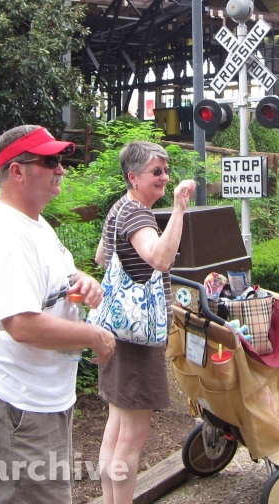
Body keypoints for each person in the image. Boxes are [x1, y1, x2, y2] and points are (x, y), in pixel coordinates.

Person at [0, 125, 116, 504]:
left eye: (59, 160)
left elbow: (59, 276)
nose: (61, 169)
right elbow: (23, 325)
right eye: (50, 161)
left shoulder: (34, 222)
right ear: (17, 171)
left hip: (34, 399)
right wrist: (94, 337)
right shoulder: (6, 236)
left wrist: (81, 280)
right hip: (14, 403)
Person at [94, 141, 196, 504]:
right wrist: (179, 209)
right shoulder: (138, 214)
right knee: (133, 435)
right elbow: (160, 259)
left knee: (116, 428)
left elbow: (102, 257)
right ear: (133, 177)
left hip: (114, 330)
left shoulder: (119, 208)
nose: (164, 177)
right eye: (156, 171)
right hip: (136, 337)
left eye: (165, 170)